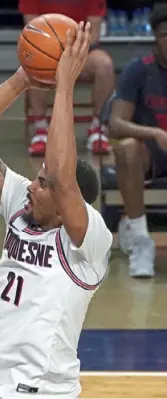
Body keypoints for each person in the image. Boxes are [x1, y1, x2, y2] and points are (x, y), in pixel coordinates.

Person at [0, 22, 112, 397]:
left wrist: (65, 85)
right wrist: (21, 80)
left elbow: (59, 173)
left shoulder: (90, 242)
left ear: (69, 200)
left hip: (39, 390)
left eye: (41, 183)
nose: (31, 185)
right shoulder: (22, 204)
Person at [108, 5, 167, 278]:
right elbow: (116, 123)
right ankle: (142, 240)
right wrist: (154, 134)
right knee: (127, 149)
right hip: (151, 155)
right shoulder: (138, 70)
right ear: (155, 36)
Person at [18, 0, 114, 155]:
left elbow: (94, 33)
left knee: (105, 65)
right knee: (33, 63)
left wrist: (73, 52)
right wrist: (56, 51)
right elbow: (33, 28)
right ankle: (41, 129)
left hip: (81, 51)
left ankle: (98, 128)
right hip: (48, 49)